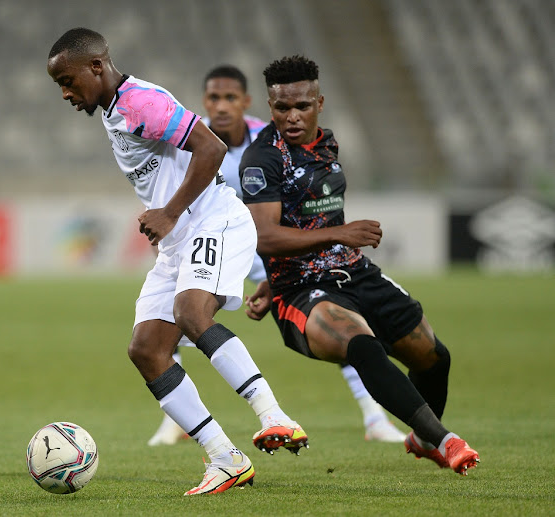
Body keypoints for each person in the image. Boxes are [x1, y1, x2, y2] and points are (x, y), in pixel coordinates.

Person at [47, 29, 307, 495]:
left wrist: (169, 212)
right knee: (146, 349)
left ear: (96, 67)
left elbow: (211, 148)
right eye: (59, 85)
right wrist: (167, 218)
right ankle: (225, 459)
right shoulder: (112, 110)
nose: (66, 92)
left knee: (191, 314)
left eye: (68, 80)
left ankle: (275, 416)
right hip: (178, 241)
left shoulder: (139, 102)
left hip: (214, 222)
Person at [239, 55, 480, 476]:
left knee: (433, 357)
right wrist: (333, 238)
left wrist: (339, 240)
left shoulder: (327, 143)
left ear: (320, 103)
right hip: (301, 289)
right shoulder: (263, 159)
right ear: (270, 106)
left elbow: (314, 217)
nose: (292, 117)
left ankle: (423, 439)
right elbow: (264, 236)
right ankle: (445, 440)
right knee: (361, 346)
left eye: (302, 106)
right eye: (281, 108)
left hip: (354, 271)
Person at [148, 65, 405, 447]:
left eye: (230, 98)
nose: (221, 106)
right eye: (214, 98)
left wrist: (275, 272)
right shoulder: (191, 137)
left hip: (266, 243)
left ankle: (374, 416)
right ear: (204, 102)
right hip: (216, 242)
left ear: (247, 103)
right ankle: (177, 420)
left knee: (337, 321)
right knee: (170, 315)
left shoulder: (265, 141)